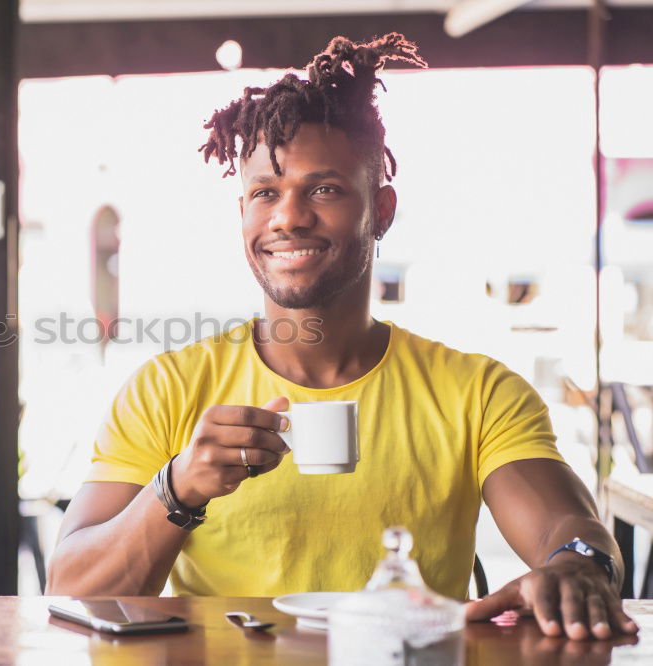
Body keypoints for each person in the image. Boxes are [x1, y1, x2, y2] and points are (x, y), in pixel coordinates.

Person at [46, 33, 638, 641]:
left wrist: (578, 566)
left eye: (323, 189)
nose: (287, 216)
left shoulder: (478, 392)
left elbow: (566, 530)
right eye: (264, 193)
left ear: (380, 211)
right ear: (242, 213)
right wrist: (176, 489)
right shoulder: (168, 389)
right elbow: (67, 584)